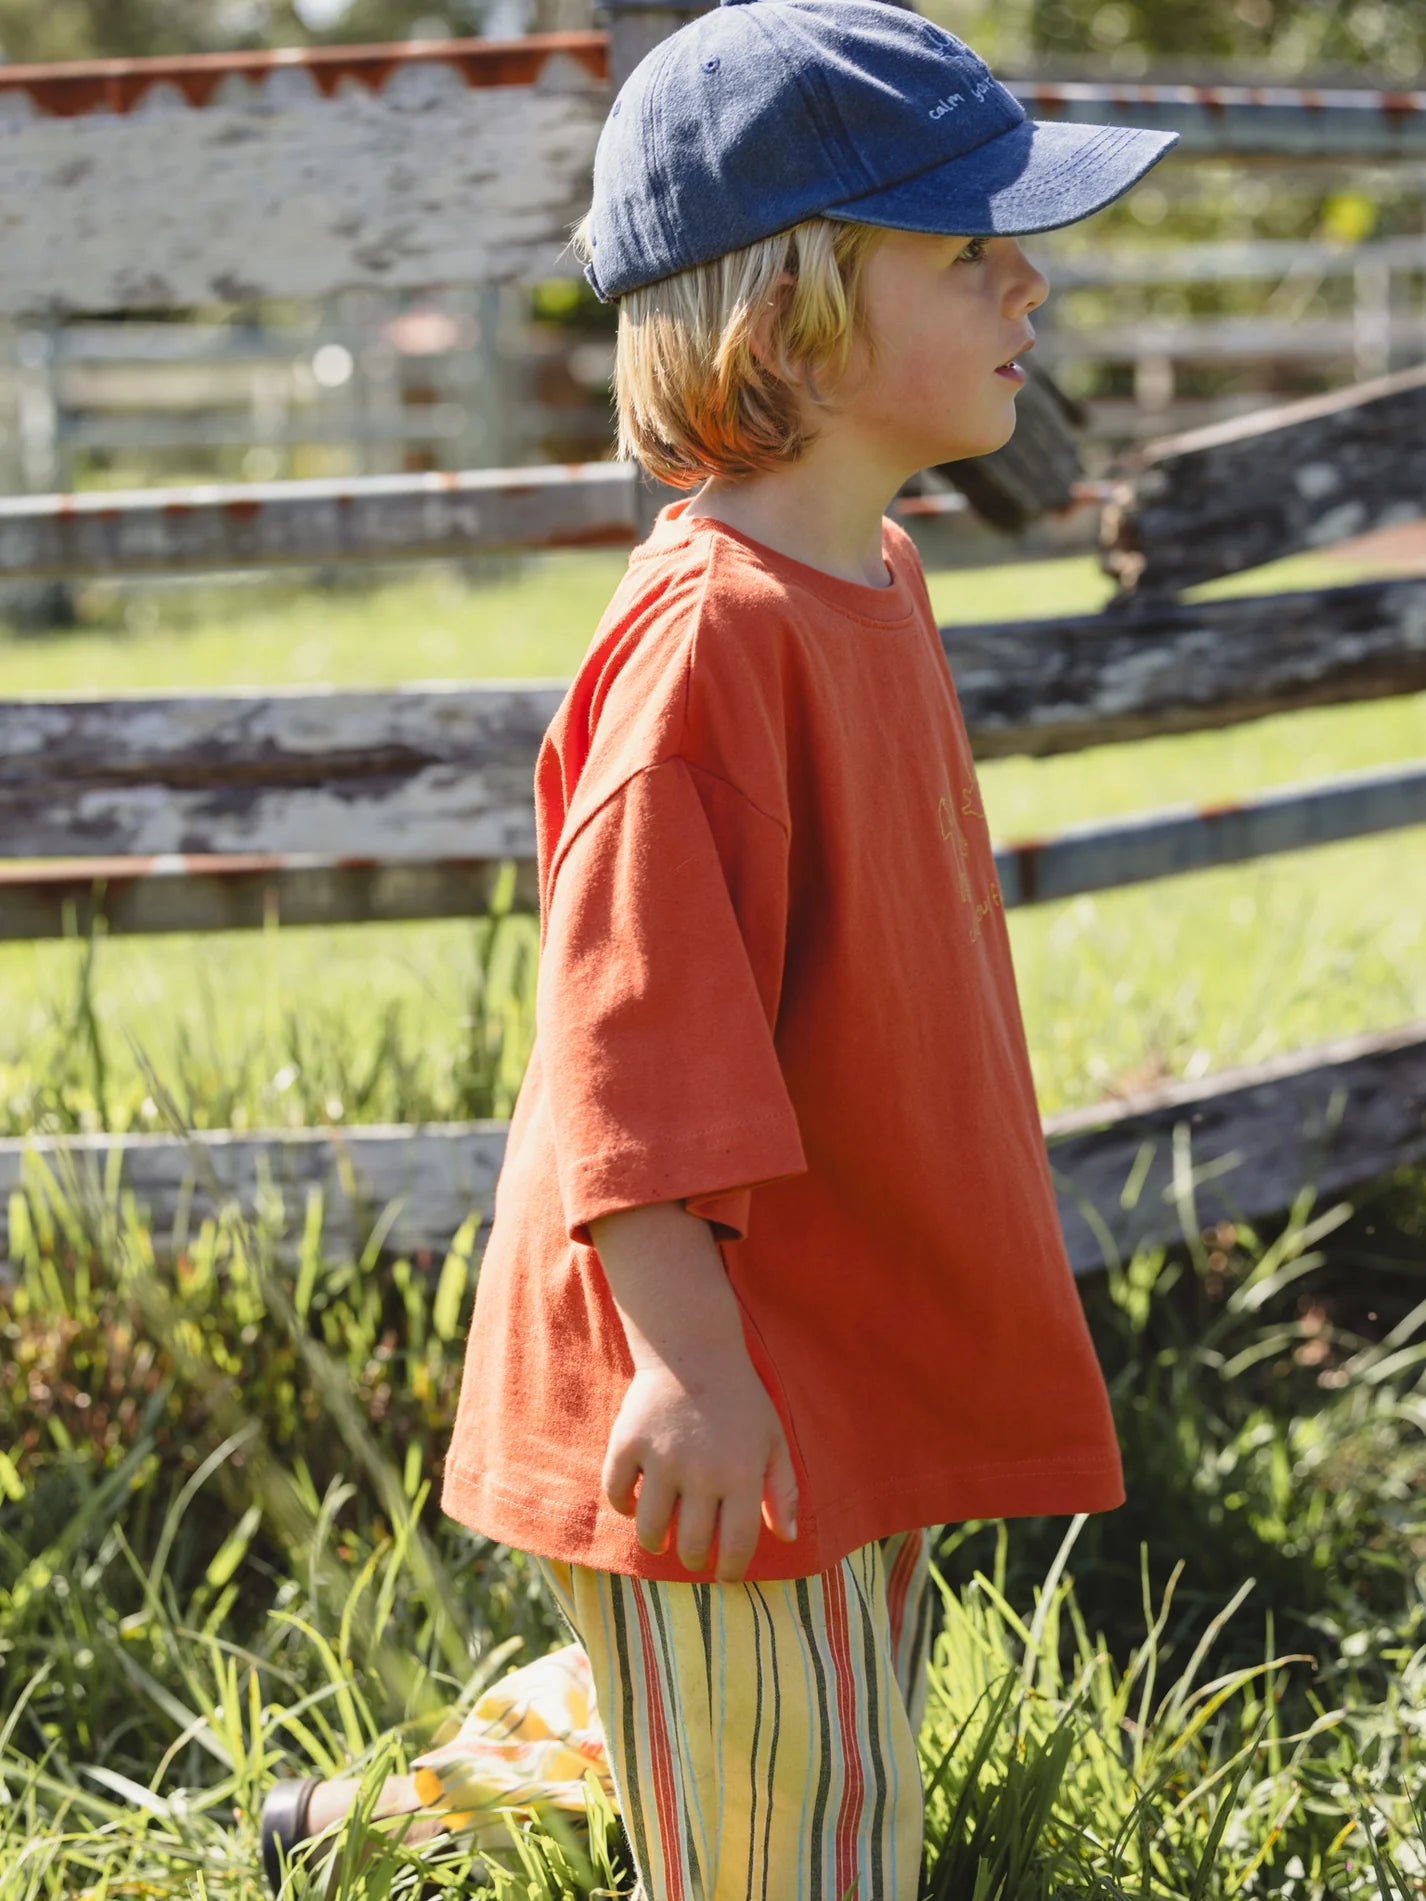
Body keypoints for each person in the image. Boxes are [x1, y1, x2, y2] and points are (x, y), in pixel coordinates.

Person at [258, 1, 1178, 1893]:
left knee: (777, 1704)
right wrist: (685, 1366)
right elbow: (630, 1052)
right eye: (968, 247)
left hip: (837, 1314)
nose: (1030, 286)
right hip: (711, 1363)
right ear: (795, 315)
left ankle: (359, 1835)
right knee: (796, 1821)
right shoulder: (708, 648)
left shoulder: (875, 573)